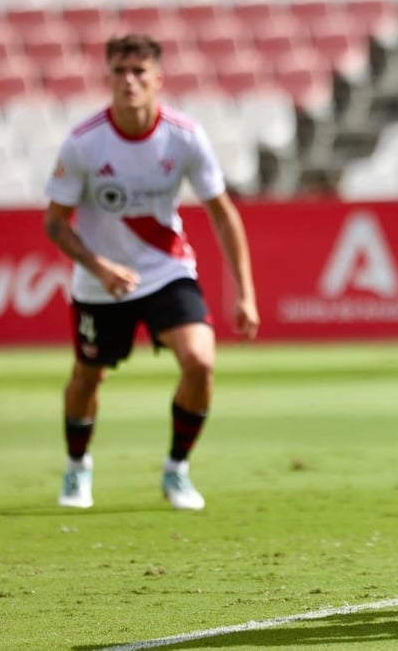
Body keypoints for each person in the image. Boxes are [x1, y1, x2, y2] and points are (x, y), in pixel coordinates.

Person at [43, 34, 259, 512]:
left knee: (201, 363)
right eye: (120, 72)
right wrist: (100, 267)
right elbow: (54, 223)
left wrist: (245, 293)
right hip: (100, 280)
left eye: (139, 72)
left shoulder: (183, 136)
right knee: (87, 376)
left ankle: (176, 470)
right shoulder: (84, 143)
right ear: (109, 79)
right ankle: (78, 468)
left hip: (166, 270)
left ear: (158, 79)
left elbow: (223, 214)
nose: (129, 81)